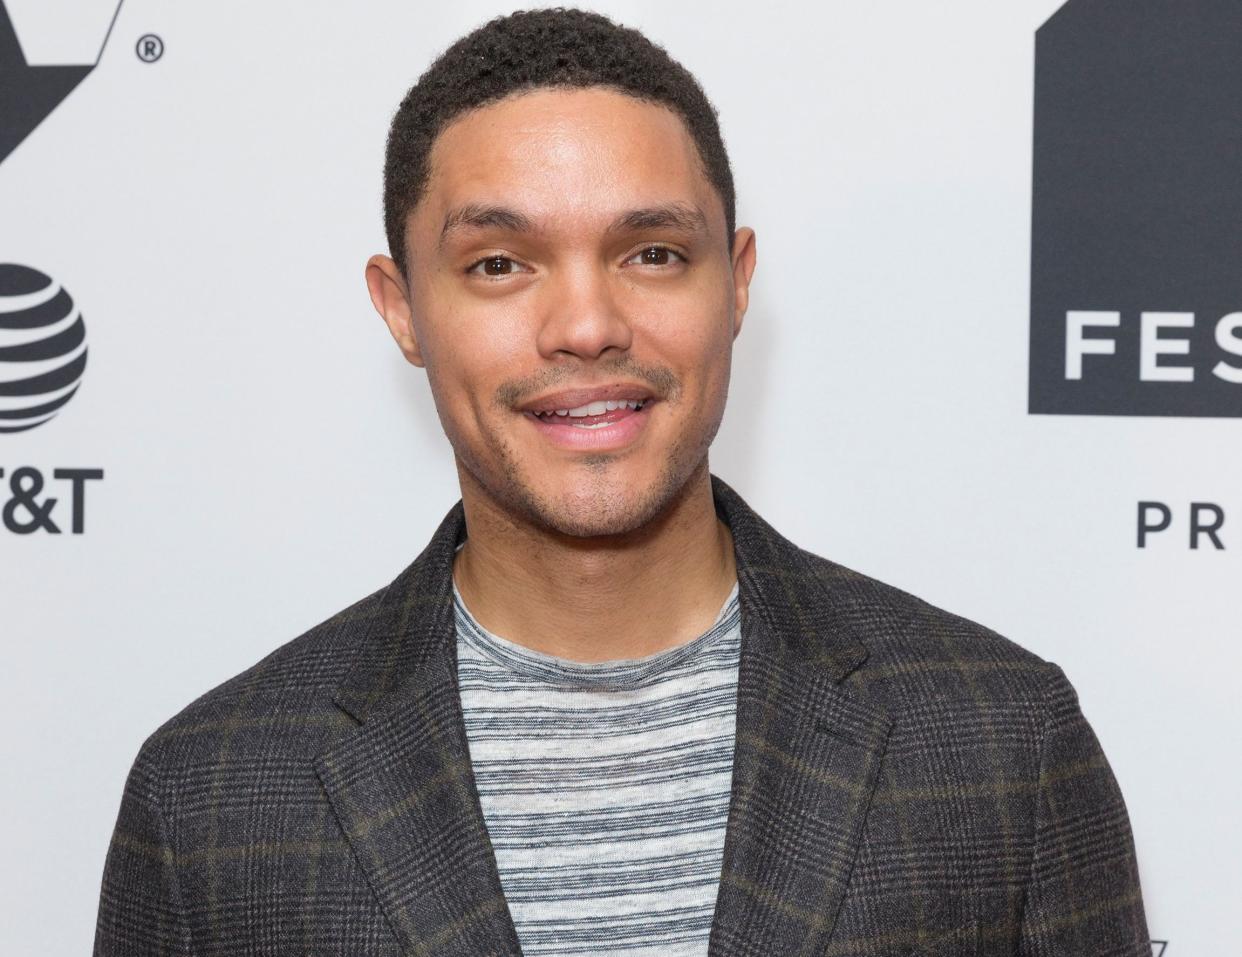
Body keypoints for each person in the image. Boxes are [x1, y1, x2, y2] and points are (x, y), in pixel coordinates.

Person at [94, 8, 1150, 955]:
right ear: (402, 307)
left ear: (735, 283)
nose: (589, 326)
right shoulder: (213, 800)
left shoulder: (1002, 743)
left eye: (651, 253)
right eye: (499, 264)